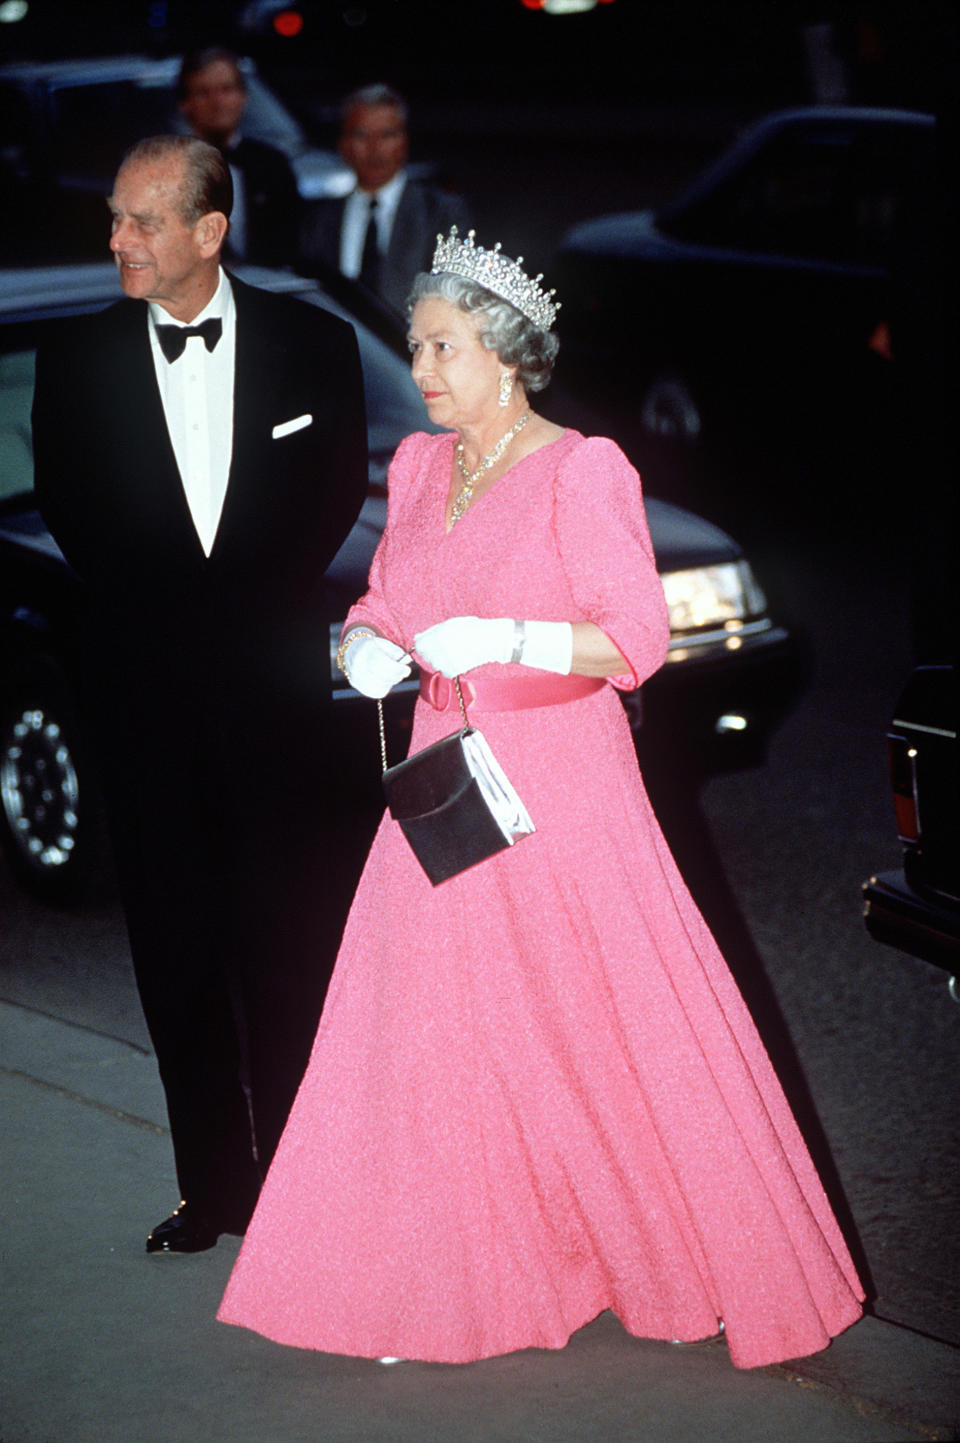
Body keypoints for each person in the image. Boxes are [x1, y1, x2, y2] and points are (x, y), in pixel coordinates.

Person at [218, 228, 864, 1367]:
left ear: (507, 355)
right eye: (415, 346)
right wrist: (368, 642)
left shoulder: (584, 468)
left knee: (599, 1026)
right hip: (440, 780)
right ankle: (421, 1280)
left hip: (561, 785)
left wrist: (514, 634)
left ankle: (674, 1254)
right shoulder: (418, 468)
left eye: (443, 347)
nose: (421, 371)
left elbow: (638, 637)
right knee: (421, 1029)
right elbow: (385, 597)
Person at [32, 135, 367, 1254]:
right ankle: (214, 1192)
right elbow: (76, 516)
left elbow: (329, 502)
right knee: (176, 964)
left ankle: (309, 1190)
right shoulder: (76, 360)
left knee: (288, 961)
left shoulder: (312, 345)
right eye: (116, 218)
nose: (116, 239)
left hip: (278, 719)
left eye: (140, 221)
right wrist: (177, 636)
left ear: (209, 232)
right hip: (145, 717)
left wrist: (246, 629)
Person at [298, 84, 469, 317]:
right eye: (361, 135)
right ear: (343, 146)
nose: (374, 148)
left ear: (404, 143)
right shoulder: (319, 220)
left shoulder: (440, 213)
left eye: (387, 135)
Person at [178, 46, 301, 265]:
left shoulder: (273, 166)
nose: (217, 102)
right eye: (203, 92)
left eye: (226, 90)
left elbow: (291, 245)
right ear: (185, 104)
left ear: (243, 97)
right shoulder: (170, 170)